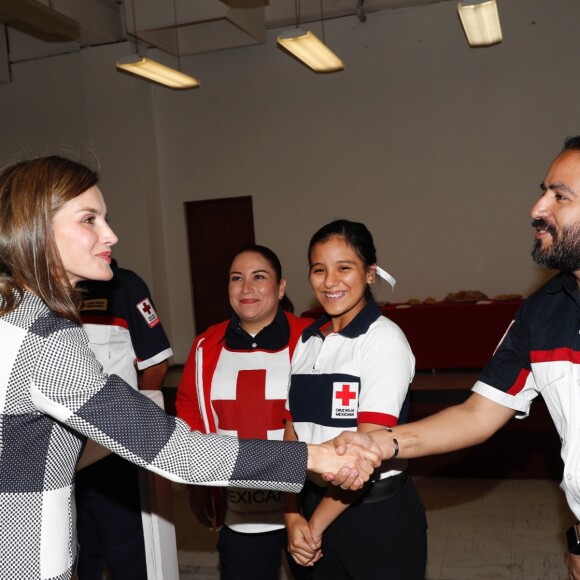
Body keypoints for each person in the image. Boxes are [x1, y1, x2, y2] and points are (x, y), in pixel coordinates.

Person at [0, 155, 380, 580]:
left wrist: (123, 424)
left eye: (105, 218)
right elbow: (176, 451)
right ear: (35, 228)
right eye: (89, 219)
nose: (111, 234)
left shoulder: (14, 318)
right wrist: (316, 456)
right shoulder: (43, 336)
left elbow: (32, 447)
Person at [333, 136, 580, 580]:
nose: (537, 209)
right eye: (543, 191)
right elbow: (477, 414)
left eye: (559, 196)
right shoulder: (544, 313)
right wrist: (381, 442)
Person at [284, 219, 427, 579]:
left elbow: (365, 455)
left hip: (374, 516)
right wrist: (291, 514)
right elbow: (291, 433)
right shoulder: (307, 340)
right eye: (319, 270)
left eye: (344, 268)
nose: (330, 282)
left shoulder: (383, 340)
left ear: (370, 274)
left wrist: (313, 527)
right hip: (312, 506)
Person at [176, 244, 312, 580]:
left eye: (259, 277)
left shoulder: (312, 339)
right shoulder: (206, 345)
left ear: (281, 288)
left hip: (306, 500)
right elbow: (190, 413)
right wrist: (198, 486)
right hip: (239, 507)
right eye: (237, 278)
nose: (246, 287)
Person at [75, 259, 173, 579]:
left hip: (111, 452)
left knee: (125, 553)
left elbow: (156, 365)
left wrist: (134, 430)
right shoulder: (44, 290)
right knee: (76, 553)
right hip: (64, 451)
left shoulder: (125, 285)